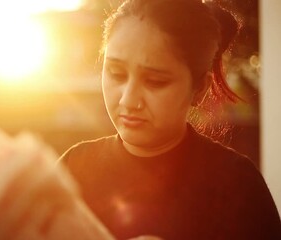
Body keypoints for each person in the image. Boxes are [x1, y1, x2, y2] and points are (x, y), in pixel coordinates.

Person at [58, 0, 281, 239]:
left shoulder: (238, 185)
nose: (128, 100)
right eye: (116, 73)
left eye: (155, 81)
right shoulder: (73, 168)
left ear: (199, 89)